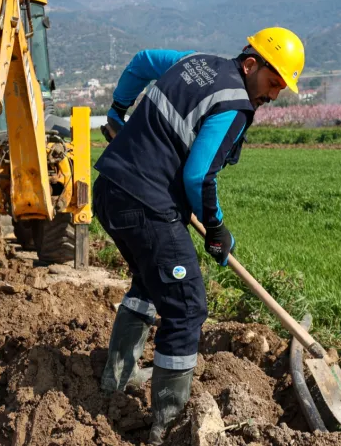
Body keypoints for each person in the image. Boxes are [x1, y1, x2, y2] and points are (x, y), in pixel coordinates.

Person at [93, 27, 305, 444]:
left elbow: (141, 60)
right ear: (251, 64)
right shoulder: (235, 105)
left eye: (283, 86)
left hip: (111, 190)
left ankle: (116, 380)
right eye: (274, 80)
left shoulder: (193, 61)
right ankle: (169, 426)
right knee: (188, 306)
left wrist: (118, 109)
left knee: (151, 282)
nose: (275, 94)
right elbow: (199, 175)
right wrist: (217, 228)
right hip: (146, 203)